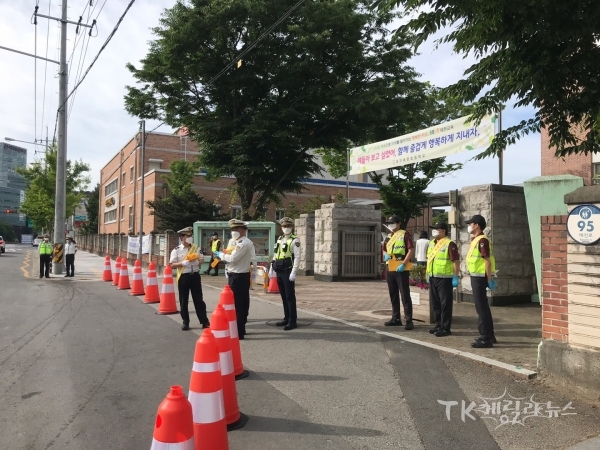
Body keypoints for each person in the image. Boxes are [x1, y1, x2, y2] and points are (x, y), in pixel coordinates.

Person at [215, 219, 256, 339]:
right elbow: (229, 256)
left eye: (237, 229)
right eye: (232, 229)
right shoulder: (233, 241)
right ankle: (239, 327)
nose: (234, 231)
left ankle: (239, 330)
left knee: (239, 304)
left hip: (240, 275)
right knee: (240, 302)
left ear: (243, 230)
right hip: (233, 273)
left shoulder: (244, 243)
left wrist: (221, 255)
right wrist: (227, 268)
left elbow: (233, 258)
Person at [465, 214, 497, 348]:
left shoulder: (482, 240)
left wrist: (489, 279)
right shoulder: (476, 240)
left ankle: (485, 338)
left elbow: (487, 261)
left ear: (476, 225)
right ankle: (489, 335)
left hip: (480, 278)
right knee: (483, 307)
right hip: (477, 277)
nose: (469, 226)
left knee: (481, 308)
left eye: (470, 223)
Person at [169, 227, 209, 331]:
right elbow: (172, 265)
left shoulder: (196, 248)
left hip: (195, 275)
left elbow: (201, 259)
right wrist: (182, 263)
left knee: (199, 300)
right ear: (182, 237)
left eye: (190, 236)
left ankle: (204, 321)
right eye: (187, 236)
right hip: (184, 277)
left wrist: (197, 262)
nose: (190, 237)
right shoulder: (176, 250)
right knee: (184, 300)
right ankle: (185, 322)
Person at [426, 223, 460, 337]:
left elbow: (456, 261)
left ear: (444, 231)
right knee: (435, 303)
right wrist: (428, 274)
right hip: (433, 276)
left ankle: (446, 327)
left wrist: (455, 276)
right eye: (433, 229)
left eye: (436, 229)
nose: (434, 231)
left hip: (445, 278)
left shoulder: (449, 244)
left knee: (445, 303)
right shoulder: (432, 243)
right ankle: (438, 324)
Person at [382, 215, 414, 330]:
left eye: (393, 222)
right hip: (390, 267)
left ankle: (409, 320)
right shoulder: (389, 236)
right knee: (393, 294)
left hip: (401, 268)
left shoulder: (405, 234)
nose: (390, 225)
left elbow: (411, 250)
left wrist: (404, 263)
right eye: (389, 223)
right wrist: (385, 255)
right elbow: (384, 249)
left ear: (399, 223)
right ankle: (395, 318)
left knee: (405, 294)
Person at [269, 217, 301, 331]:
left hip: (288, 270)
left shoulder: (295, 240)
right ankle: (286, 318)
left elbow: (297, 257)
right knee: (283, 296)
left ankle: (293, 321)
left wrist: (294, 272)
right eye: (284, 226)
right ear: (281, 228)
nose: (286, 228)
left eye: (288, 226)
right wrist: (271, 268)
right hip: (279, 270)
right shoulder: (280, 239)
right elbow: (275, 254)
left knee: (289, 296)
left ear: (292, 227)